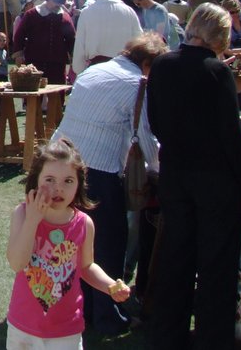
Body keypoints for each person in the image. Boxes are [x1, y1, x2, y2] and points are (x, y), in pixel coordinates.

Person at [146, 2, 241, 349]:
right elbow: (231, 135)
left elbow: (155, 120)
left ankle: (168, 336)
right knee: (216, 267)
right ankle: (212, 339)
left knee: (175, 259)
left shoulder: (162, 64)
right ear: (219, 36)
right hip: (215, 182)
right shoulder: (216, 72)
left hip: (176, 174)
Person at [55, 32, 165, 335]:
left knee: (72, 243)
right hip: (98, 171)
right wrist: (157, 167)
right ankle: (106, 315)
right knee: (107, 247)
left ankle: (80, 307)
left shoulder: (96, 69)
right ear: (146, 63)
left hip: (63, 162)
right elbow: (145, 137)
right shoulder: (136, 85)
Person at [5, 138, 131, 349]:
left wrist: (109, 285)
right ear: (36, 180)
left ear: (79, 184)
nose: (58, 189)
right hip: (24, 328)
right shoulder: (22, 214)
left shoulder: (84, 223)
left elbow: (86, 266)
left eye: (68, 181)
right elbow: (17, 263)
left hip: (66, 330)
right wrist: (33, 221)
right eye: (50, 179)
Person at [72, 0, 142, 76]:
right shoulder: (128, 11)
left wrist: (80, 71)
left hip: (96, 71)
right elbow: (138, 41)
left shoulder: (87, 13)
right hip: (123, 70)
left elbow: (80, 44)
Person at [11, 0, 75, 85]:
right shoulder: (31, 15)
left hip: (57, 65)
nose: (58, 5)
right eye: (56, 2)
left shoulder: (65, 17)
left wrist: (74, 57)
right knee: (33, 95)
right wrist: (18, 55)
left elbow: (71, 39)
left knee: (57, 95)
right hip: (34, 63)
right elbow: (19, 35)